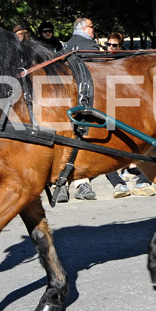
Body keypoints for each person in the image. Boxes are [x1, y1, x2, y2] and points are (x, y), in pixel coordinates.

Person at [101, 33, 156, 197]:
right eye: (108, 45)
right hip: (109, 109)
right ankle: (118, 183)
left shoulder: (127, 62)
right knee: (108, 146)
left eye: (114, 46)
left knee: (138, 143)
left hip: (127, 108)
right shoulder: (101, 61)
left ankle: (141, 178)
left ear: (121, 46)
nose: (110, 48)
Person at [63, 17, 101, 200]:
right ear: (85, 28)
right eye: (92, 27)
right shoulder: (91, 47)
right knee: (83, 140)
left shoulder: (65, 47)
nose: (94, 30)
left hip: (65, 101)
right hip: (88, 100)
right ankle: (81, 183)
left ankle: (61, 183)